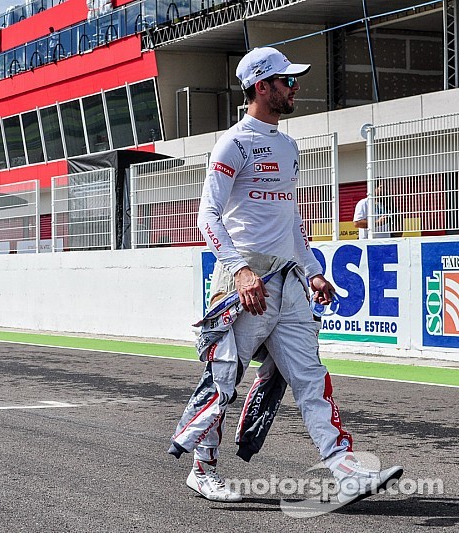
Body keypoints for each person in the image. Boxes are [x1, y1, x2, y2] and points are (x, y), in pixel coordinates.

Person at [168, 47, 403, 504]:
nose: (295, 87)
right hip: (244, 284)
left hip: (289, 283)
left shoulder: (288, 145)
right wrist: (238, 271)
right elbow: (208, 216)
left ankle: (345, 469)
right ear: (262, 86)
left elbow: (291, 219)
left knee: (311, 379)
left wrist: (314, 272)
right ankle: (203, 468)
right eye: (287, 81)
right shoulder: (232, 143)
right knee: (223, 381)